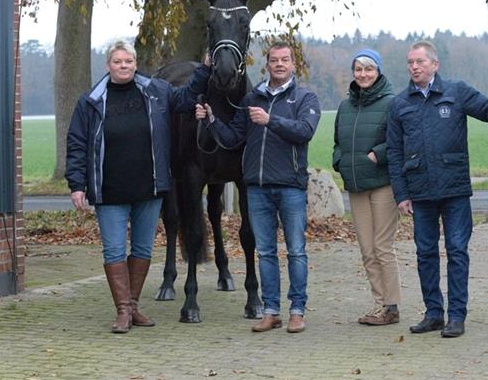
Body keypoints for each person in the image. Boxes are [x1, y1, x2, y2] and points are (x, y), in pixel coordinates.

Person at [386, 40, 488, 338]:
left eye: (420, 62)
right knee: (425, 253)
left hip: (454, 190)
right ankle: (433, 314)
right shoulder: (400, 104)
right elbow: (394, 152)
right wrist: (401, 194)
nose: (414, 67)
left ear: (434, 65)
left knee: (456, 251)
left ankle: (457, 316)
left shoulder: (456, 91)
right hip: (420, 191)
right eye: (410, 63)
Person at [65, 40, 211, 333]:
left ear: (135, 64)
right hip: (109, 191)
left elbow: (185, 98)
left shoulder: (155, 91)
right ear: (108, 66)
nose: (124, 66)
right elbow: (77, 144)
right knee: (115, 251)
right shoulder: (91, 101)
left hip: (149, 188)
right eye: (118, 62)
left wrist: (205, 71)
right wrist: (77, 184)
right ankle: (122, 311)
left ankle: (132, 306)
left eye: (128, 62)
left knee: (143, 248)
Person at [196, 41, 321, 334]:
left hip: (290, 186)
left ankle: (297, 311)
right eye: (274, 60)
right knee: (265, 252)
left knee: (296, 251)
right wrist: (211, 120)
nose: (279, 64)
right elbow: (233, 137)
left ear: (293, 65)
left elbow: (304, 132)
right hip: (257, 187)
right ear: (267, 65)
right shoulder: (253, 98)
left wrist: (270, 120)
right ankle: (271, 310)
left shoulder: (305, 98)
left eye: (285, 60)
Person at [333, 49, 401, 326]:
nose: (363, 74)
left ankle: (392, 306)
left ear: (378, 72)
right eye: (358, 69)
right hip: (356, 185)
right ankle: (379, 305)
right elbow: (337, 141)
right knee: (366, 248)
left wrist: (378, 154)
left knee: (382, 246)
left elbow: (401, 139)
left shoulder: (392, 103)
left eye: (369, 69)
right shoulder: (345, 106)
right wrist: (339, 160)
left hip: (383, 184)